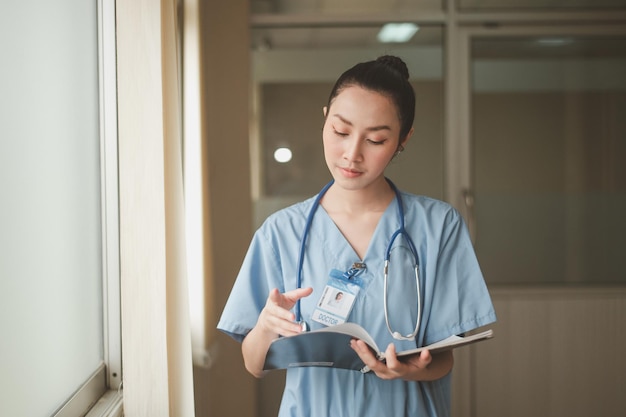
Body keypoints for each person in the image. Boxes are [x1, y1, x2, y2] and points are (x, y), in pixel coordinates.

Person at [217, 55, 496, 417]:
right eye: (341, 132)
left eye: (376, 139)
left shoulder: (438, 227)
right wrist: (266, 326)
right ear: (324, 120)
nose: (352, 154)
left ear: (402, 140)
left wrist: (410, 370)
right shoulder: (281, 233)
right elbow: (254, 364)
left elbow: (443, 360)